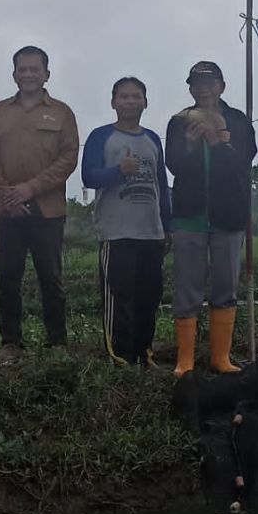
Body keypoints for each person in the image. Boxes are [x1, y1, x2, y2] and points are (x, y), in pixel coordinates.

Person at [0, 45, 79, 365]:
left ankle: (57, 343)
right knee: (8, 278)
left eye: (34, 69)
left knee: (50, 277)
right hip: (9, 210)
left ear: (46, 73)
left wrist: (30, 189)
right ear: (14, 74)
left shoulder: (63, 113)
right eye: (22, 69)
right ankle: (10, 343)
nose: (28, 74)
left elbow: (68, 158)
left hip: (48, 210)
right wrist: (8, 196)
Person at [165, 60, 257, 377]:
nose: (204, 89)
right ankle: (185, 359)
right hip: (190, 216)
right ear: (190, 88)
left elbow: (243, 162)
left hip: (228, 215)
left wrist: (219, 144)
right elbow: (173, 165)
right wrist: (191, 145)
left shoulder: (239, 122)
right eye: (197, 84)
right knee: (187, 288)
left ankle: (221, 358)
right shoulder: (178, 122)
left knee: (225, 287)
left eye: (210, 83)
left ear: (221, 86)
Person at [81, 76, 172, 367]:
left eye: (136, 97)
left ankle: (144, 353)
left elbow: (161, 185)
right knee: (119, 298)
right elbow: (89, 176)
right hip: (117, 232)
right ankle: (120, 357)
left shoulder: (153, 139)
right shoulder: (100, 136)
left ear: (145, 102)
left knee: (149, 297)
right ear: (113, 102)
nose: (130, 102)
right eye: (124, 97)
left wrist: (166, 227)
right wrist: (119, 171)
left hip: (151, 232)